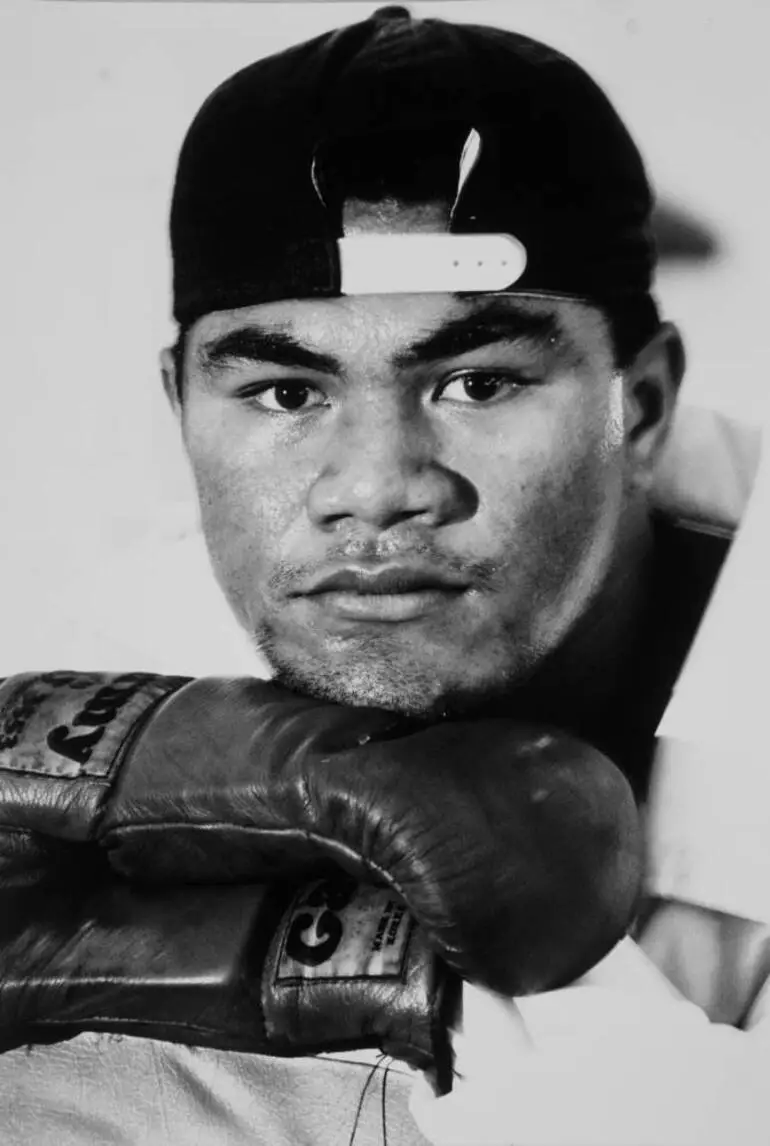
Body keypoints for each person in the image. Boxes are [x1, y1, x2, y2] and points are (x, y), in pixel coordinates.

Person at [0, 6, 767, 1144]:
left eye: (478, 385)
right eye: (285, 393)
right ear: (179, 405)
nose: (372, 486)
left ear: (638, 405)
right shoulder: (83, 647)